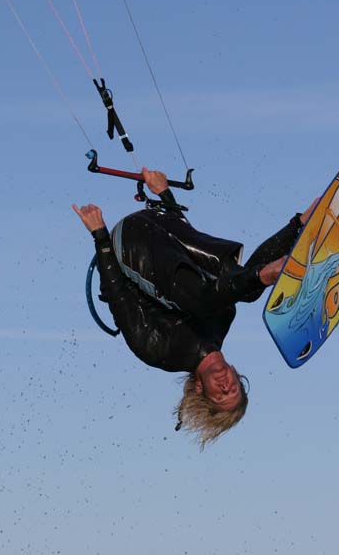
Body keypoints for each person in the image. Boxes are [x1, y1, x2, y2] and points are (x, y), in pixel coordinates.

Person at [73, 169, 317, 448]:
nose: (226, 387)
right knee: (237, 292)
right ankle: (301, 224)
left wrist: (99, 235)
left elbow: (117, 296)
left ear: (200, 389)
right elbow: (190, 241)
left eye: (221, 395)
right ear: (236, 373)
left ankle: (266, 274)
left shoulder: (159, 351)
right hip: (163, 226)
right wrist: (164, 193)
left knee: (219, 294)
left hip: (129, 245)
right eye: (234, 389)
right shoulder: (222, 320)